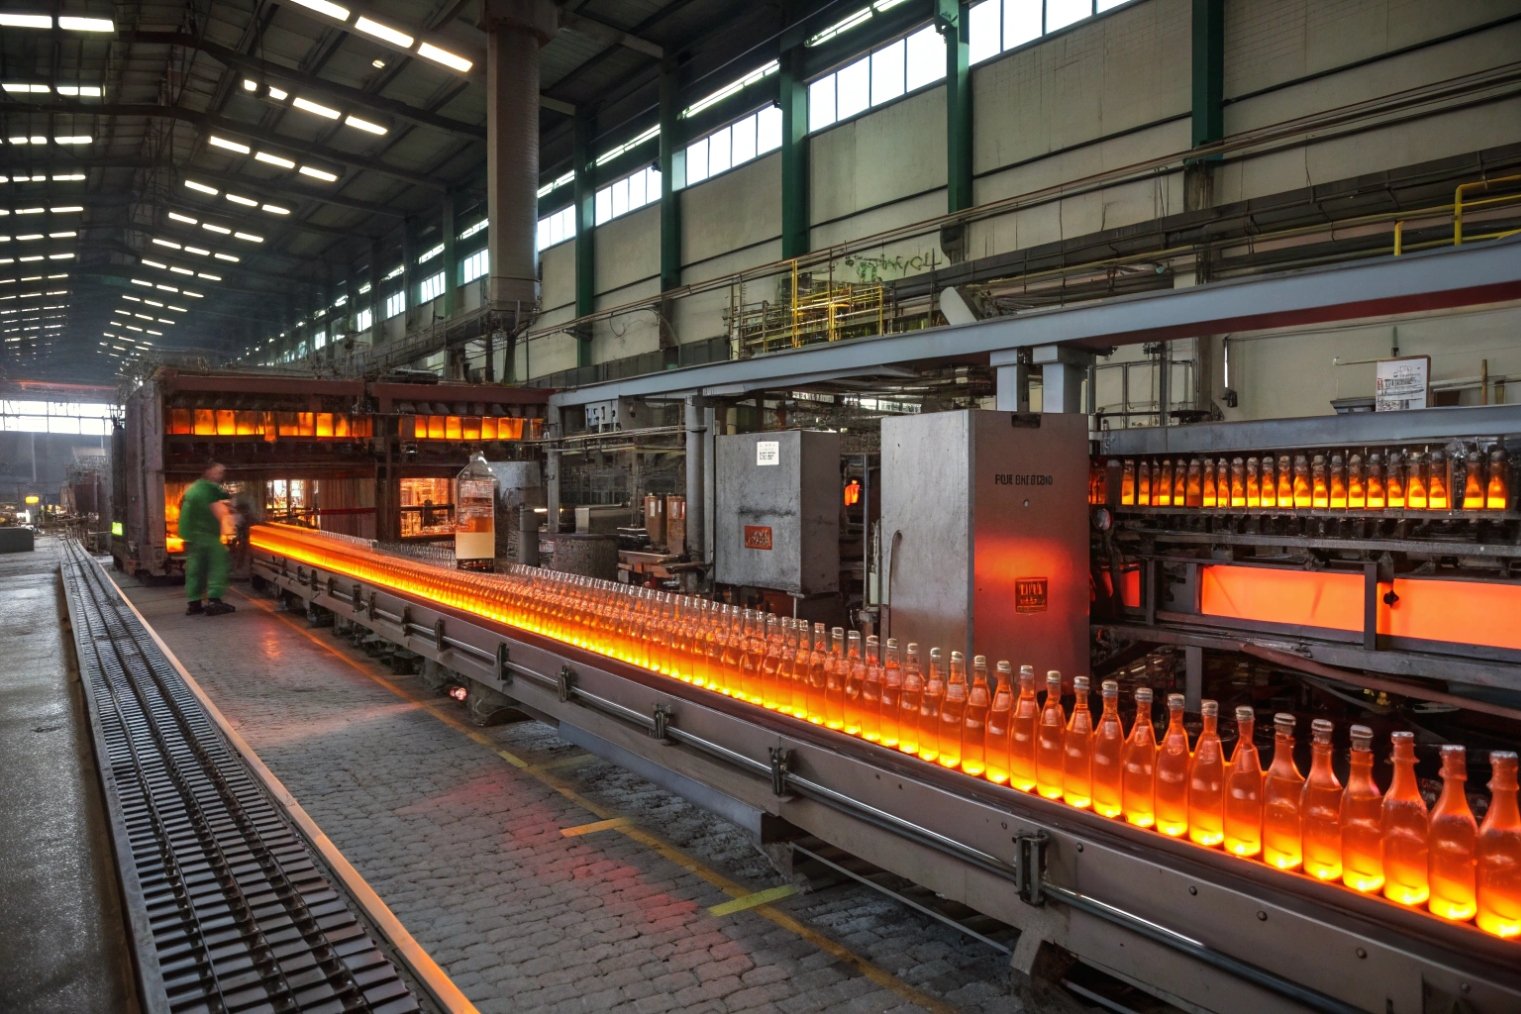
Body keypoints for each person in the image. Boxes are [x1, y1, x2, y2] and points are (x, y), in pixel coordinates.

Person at [180, 461, 238, 616]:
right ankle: (214, 601)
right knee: (218, 565)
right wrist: (231, 521)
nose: (221, 475)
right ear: (208, 472)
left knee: (195, 570)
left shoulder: (193, 489)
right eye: (218, 472)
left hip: (191, 536)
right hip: (208, 536)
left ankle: (194, 603)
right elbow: (219, 510)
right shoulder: (209, 489)